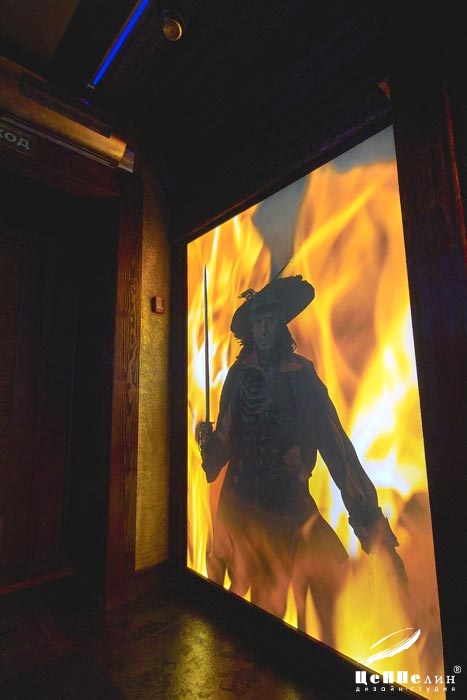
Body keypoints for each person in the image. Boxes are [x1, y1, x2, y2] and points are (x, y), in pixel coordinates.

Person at [197, 275, 407, 646]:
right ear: (252, 330)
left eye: (269, 320)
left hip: (289, 502)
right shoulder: (239, 377)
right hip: (241, 505)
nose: (264, 329)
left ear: (281, 324)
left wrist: (372, 529)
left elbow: (337, 449)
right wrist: (208, 444)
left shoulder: (303, 377)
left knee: (325, 581)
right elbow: (220, 453)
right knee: (248, 607)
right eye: (258, 322)